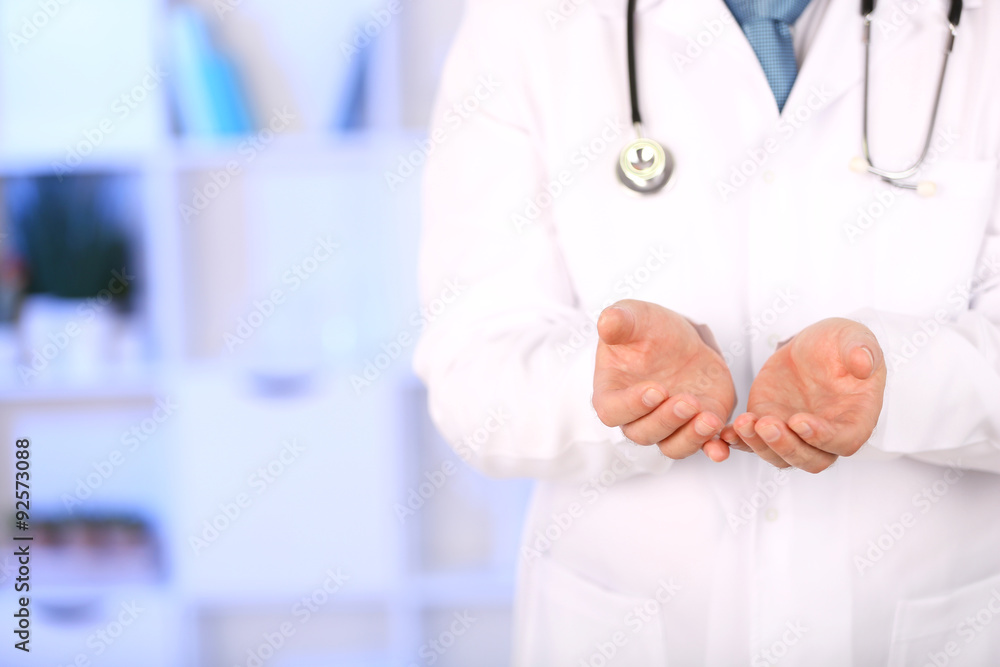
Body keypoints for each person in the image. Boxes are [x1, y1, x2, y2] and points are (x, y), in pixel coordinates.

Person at [414, 0, 1000, 663]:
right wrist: (606, 387)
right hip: (620, 626)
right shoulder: (525, 21)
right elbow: (473, 366)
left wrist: (901, 381)